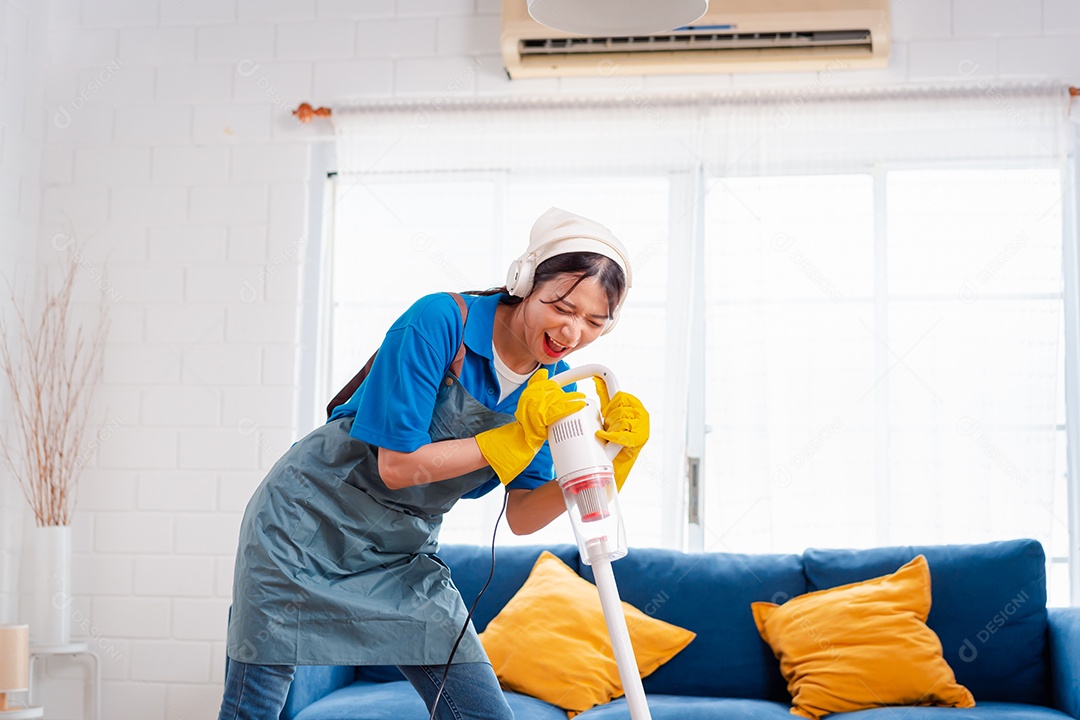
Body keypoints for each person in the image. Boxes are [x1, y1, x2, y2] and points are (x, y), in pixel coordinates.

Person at [217, 207, 651, 720]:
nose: (572, 332)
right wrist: (512, 437)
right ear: (526, 282)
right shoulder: (441, 321)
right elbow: (396, 467)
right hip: (302, 528)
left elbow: (523, 514)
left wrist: (605, 463)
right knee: (255, 709)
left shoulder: (555, 387)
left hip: (401, 553)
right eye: (561, 305)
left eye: (594, 322)